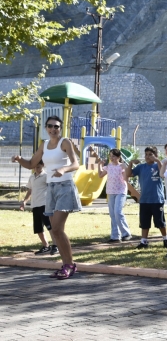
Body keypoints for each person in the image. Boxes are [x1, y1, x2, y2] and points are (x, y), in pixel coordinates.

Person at [12, 115, 82, 279]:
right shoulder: (44, 145)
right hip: (50, 189)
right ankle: (67, 265)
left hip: (65, 187)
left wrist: (63, 170)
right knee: (56, 232)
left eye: (56, 126)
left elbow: (75, 163)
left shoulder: (64, 142)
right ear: (46, 128)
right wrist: (19, 159)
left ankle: (70, 265)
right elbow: (31, 164)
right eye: (50, 126)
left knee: (57, 228)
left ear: (60, 128)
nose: (53, 129)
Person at [126, 146, 167, 249]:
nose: (147, 157)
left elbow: (162, 173)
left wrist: (157, 160)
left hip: (156, 199)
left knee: (160, 221)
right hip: (144, 200)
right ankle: (144, 242)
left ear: (155, 155)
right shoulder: (141, 167)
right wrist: (130, 163)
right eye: (146, 154)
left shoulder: (158, 165)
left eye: (150, 154)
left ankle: (165, 239)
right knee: (144, 222)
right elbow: (129, 174)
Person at [20, 160, 58, 255]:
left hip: (44, 204)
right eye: (35, 167)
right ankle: (46, 246)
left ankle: (55, 245)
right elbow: (30, 190)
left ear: (42, 166)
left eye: (39, 167)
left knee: (49, 226)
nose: (36, 169)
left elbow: (52, 188)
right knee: (38, 228)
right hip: (35, 205)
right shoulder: (32, 177)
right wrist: (24, 202)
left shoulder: (46, 176)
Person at [98, 149, 132, 243]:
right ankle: (115, 236)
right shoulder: (108, 166)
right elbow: (100, 175)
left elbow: (126, 179)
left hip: (120, 191)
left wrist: (124, 167)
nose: (111, 158)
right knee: (112, 214)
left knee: (118, 212)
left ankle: (126, 233)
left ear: (118, 157)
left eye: (113, 156)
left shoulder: (122, 166)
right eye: (110, 156)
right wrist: (99, 165)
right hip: (110, 191)